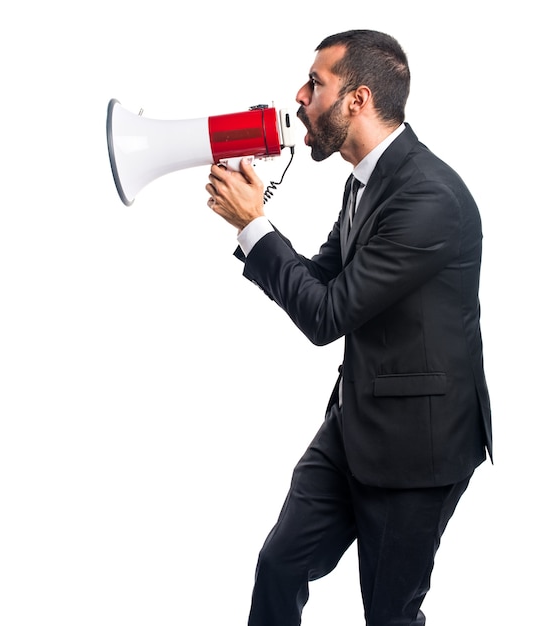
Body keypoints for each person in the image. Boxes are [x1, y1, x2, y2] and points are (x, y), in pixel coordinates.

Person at [205, 29, 492, 626]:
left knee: (389, 614)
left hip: (420, 448)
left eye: (316, 83)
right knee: (280, 565)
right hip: (355, 423)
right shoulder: (364, 182)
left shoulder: (428, 198)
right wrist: (254, 222)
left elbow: (326, 316)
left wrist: (256, 228)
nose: (300, 96)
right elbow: (318, 279)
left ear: (357, 100)